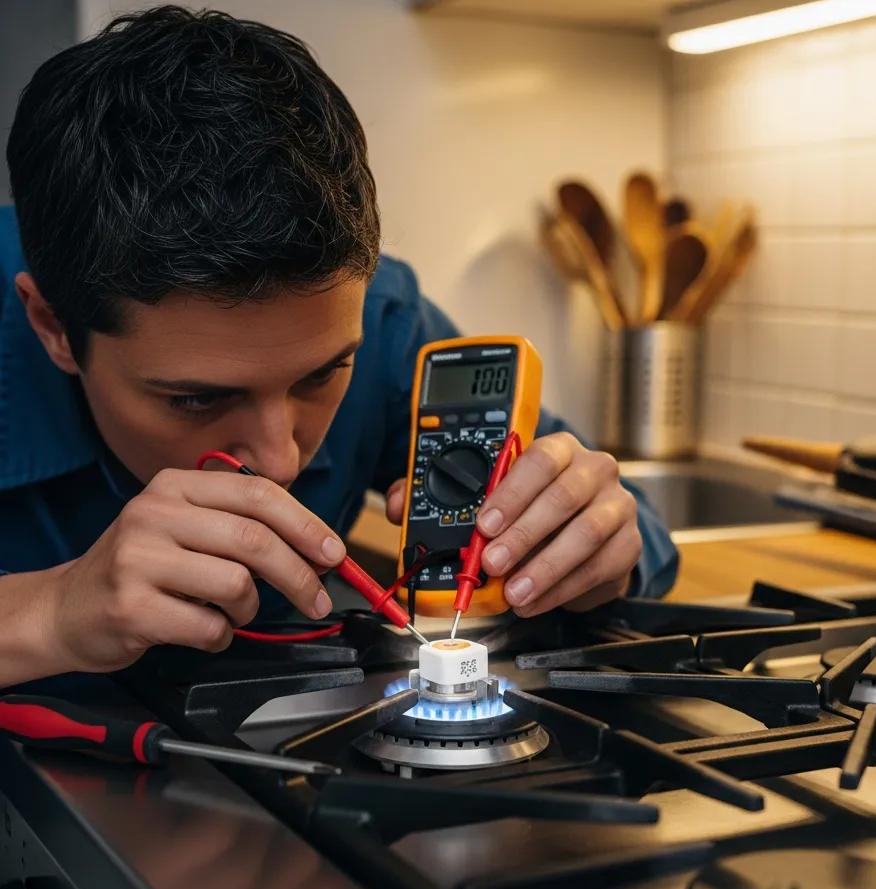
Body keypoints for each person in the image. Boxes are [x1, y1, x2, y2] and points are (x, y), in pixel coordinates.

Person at [0, 6, 678, 688]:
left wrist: (597, 547)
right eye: (197, 399)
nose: (279, 459)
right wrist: (52, 613)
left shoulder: (385, 323)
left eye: (323, 375)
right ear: (54, 327)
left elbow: (635, 533)